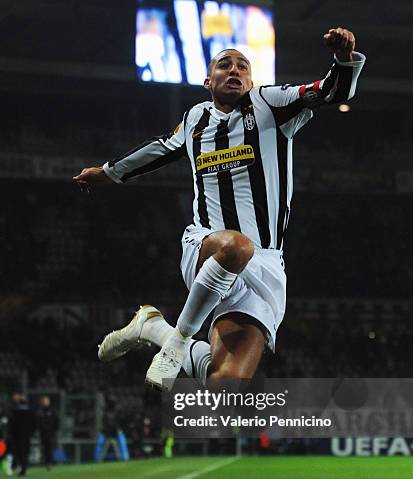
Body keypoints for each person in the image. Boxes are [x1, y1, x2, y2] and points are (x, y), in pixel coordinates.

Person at [74, 28, 365, 391]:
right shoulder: (196, 119)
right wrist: (108, 173)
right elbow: (159, 149)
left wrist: (341, 60)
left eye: (242, 66)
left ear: (251, 79)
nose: (234, 70)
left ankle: (154, 328)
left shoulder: (270, 104)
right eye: (224, 65)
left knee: (227, 386)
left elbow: (329, 91)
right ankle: (178, 344)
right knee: (236, 246)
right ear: (208, 81)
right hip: (207, 247)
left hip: (265, 266)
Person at [9, 393, 36, 476]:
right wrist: (32, 433)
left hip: (17, 436)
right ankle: (24, 468)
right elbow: (34, 424)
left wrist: (12, 434)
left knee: (19, 452)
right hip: (27, 435)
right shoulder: (30, 411)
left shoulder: (15, 412)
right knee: (25, 452)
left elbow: (12, 424)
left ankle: (20, 468)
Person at [36, 395, 59, 469]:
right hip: (43, 433)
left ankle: (50, 462)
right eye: (44, 401)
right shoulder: (40, 411)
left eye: (46, 401)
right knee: (44, 448)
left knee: (50, 447)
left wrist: (54, 430)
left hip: (51, 432)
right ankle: (46, 462)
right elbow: (38, 421)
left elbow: (56, 421)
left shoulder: (52, 410)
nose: (45, 402)